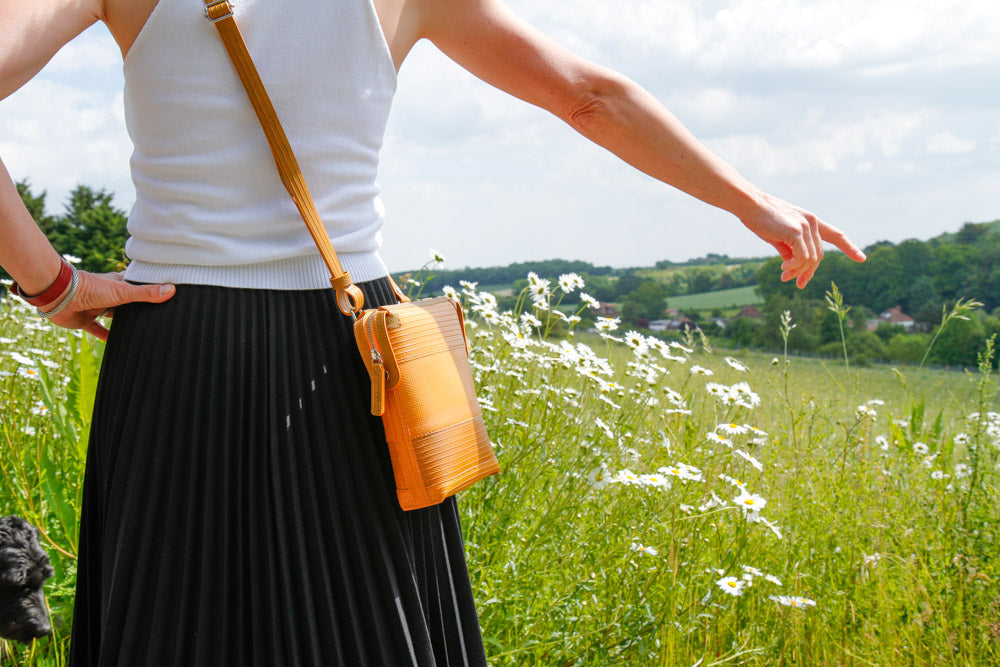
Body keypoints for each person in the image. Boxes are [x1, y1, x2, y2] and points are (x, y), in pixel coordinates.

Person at [0, 0, 866, 663]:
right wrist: (754, 201)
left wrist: (53, 281)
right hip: (353, 352)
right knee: (365, 625)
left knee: (175, 620)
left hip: (176, 346)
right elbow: (591, 97)